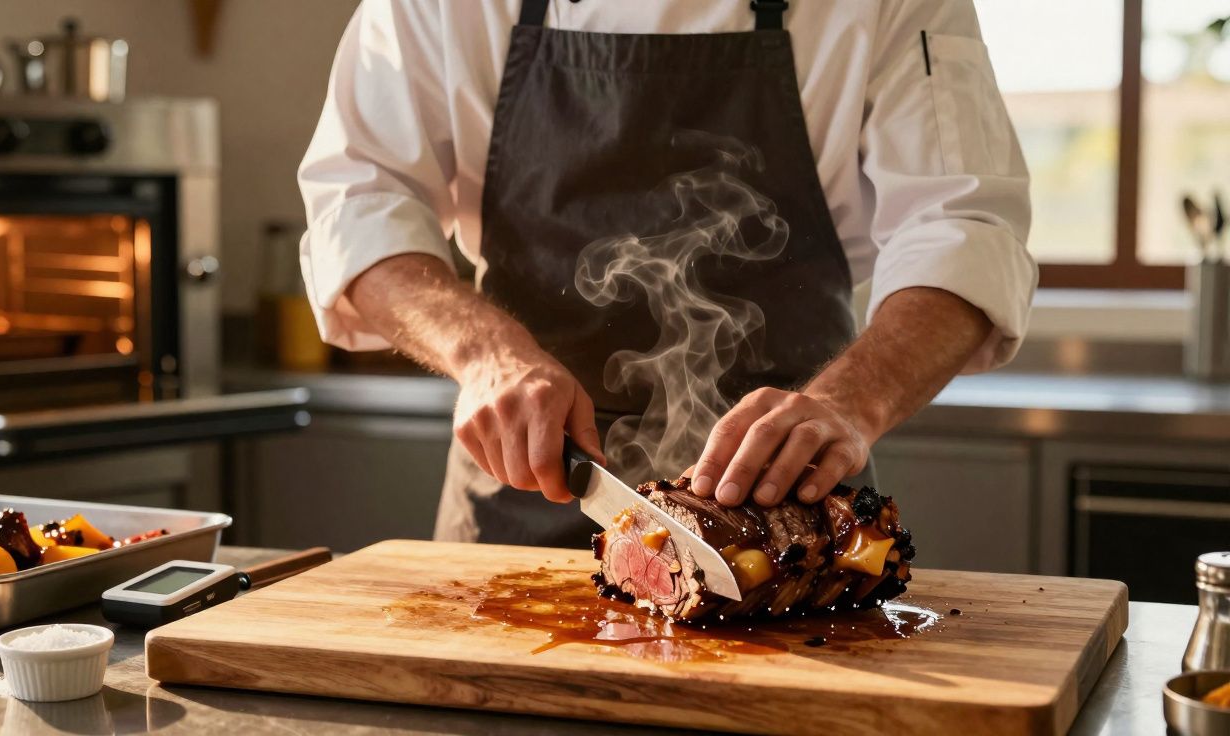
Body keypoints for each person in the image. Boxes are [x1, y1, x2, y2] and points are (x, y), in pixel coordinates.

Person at [298, 0, 1036, 547]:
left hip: (788, 508)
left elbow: (963, 225)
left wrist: (850, 402)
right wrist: (485, 357)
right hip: (522, 494)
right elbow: (360, 198)